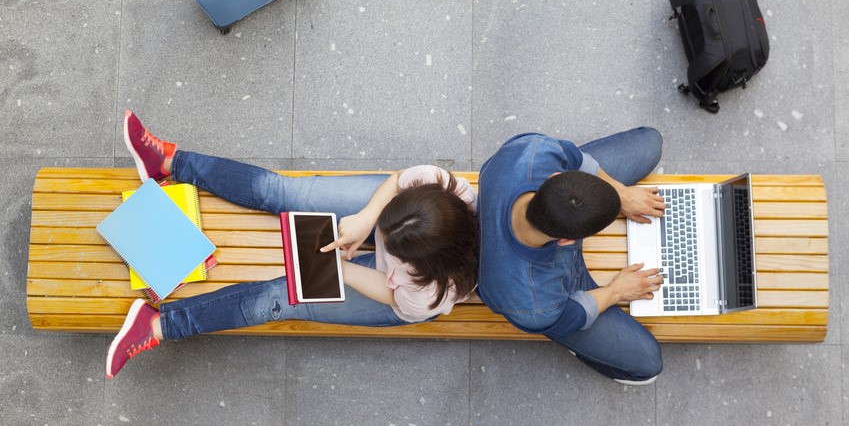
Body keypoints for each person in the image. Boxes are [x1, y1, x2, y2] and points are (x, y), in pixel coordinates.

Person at [106, 111, 479, 379]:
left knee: (280, 300)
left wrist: (341, 270)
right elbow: (398, 183)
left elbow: (395, 296)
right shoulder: (446, 188)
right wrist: (369, 217)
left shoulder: (431, 292)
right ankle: (168, 161)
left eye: (388, 244)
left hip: (394, 293)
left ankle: (158, 327)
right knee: (284, 191)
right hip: (403, 233)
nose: (378, 239)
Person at [476, 129, 666, 385]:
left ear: (556, 176)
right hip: (563, 290)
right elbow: (569, 318)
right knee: (648, 366)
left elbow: (574, 157)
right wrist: (617, 291)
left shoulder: (533, 151)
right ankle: (580, 349)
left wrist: (622, 194)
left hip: (547, 213)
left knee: (652, 142)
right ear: (568, 242)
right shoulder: (531, 302)